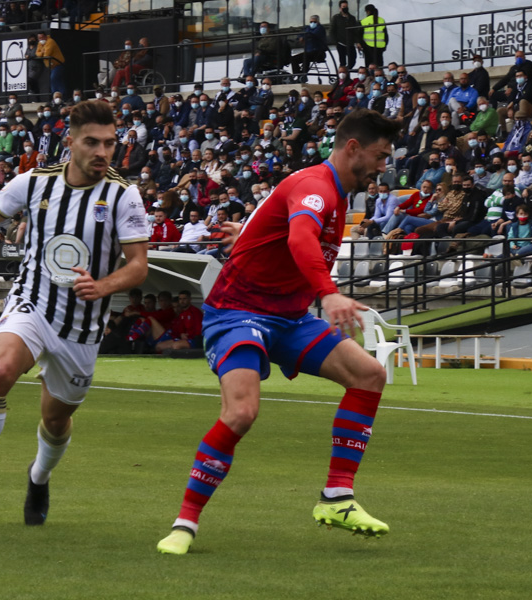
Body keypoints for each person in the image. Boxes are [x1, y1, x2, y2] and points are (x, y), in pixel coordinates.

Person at [156, 109, 400, 555]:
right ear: (352, 149)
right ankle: (184, 523)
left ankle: (337, 497)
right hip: (238, 312)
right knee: (242, 413)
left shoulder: (333, 192)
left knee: (370, 374)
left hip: (288, 317)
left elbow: (281, 226)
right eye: (380, 155)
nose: (384, 166)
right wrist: (329, 294)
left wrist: (246, 232)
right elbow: (300, 238)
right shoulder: (317, 186)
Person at [0, 101, 150, 525]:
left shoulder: (122, 195)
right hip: (32, 303)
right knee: (0, 371)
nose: (103, 152)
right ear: (71, 141)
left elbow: (138, 265)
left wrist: (103, 285)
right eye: (92, 142)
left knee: (55, 420)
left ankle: (39, 476)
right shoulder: (34, 183)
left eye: (110, 144)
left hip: (81, 326)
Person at [330, 1, 360, 70]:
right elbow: (332, 30)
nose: (345, 8)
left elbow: (355, 31)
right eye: (343, 7)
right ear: (340, 8)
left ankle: (345, 71)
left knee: (352, 60)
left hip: (350, 43)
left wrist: (357, 42)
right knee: (342, 61)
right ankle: (342, 75)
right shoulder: (336, 18)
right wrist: (335, 42)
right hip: (341, 43)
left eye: (346, 7)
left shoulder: (352, 18)